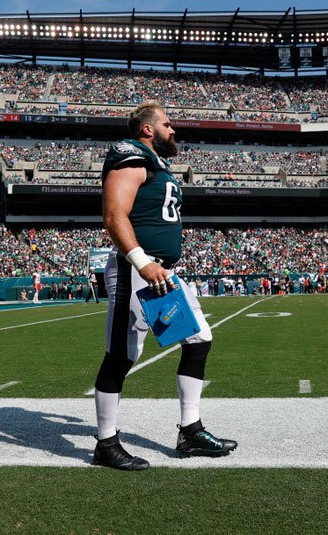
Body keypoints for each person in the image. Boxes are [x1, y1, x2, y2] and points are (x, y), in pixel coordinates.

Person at [92, 101, 236, 471]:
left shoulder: (156, 163)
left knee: (199, 340)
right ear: (146, 129)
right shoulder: (131, 155)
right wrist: (140, 261)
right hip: (137, 270)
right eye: (167, 125)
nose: (173, 131)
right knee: (122, 356)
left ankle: (190, 431)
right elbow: (113, 214)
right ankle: (106, 444)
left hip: (164, 273)